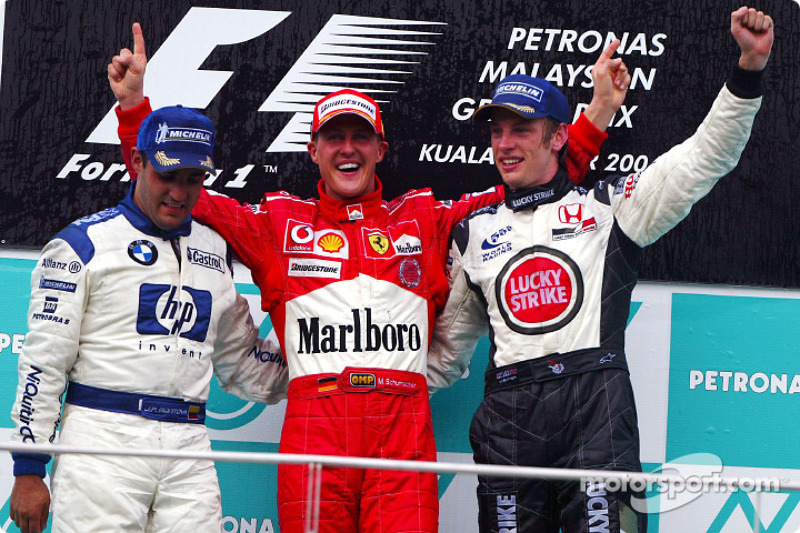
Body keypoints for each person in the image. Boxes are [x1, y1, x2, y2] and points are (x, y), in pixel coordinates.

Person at [109, 22, 628, 533]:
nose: (348, 149)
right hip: (316, 426)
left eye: (361, 137)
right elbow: (177, 191)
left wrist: (596, 117)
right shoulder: (278, 221)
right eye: (334, 138)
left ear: (382, 150)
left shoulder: (424, 217)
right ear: (313, 151)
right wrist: (134, 110)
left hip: (403, 428)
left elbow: (531, 188)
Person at [426, 6, 773, 533]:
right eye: (497, 130)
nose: (504, 143)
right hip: (509, 417)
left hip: (596, 411)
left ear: (558, 137)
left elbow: (707, 157)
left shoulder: (612, 207)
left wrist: (748, 68)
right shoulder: (471, 234)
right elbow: (448, 352)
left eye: (521, 129)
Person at [9, 105, 288, 533]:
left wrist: (326, 367)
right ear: (137, 162)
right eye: (168, 176)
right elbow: (44, 363)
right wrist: (29, 469)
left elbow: (242, 363)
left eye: (193, 180)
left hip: (189, 445)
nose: (180, 192)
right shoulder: (83, 244)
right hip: (102, 441)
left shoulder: (214, 249)